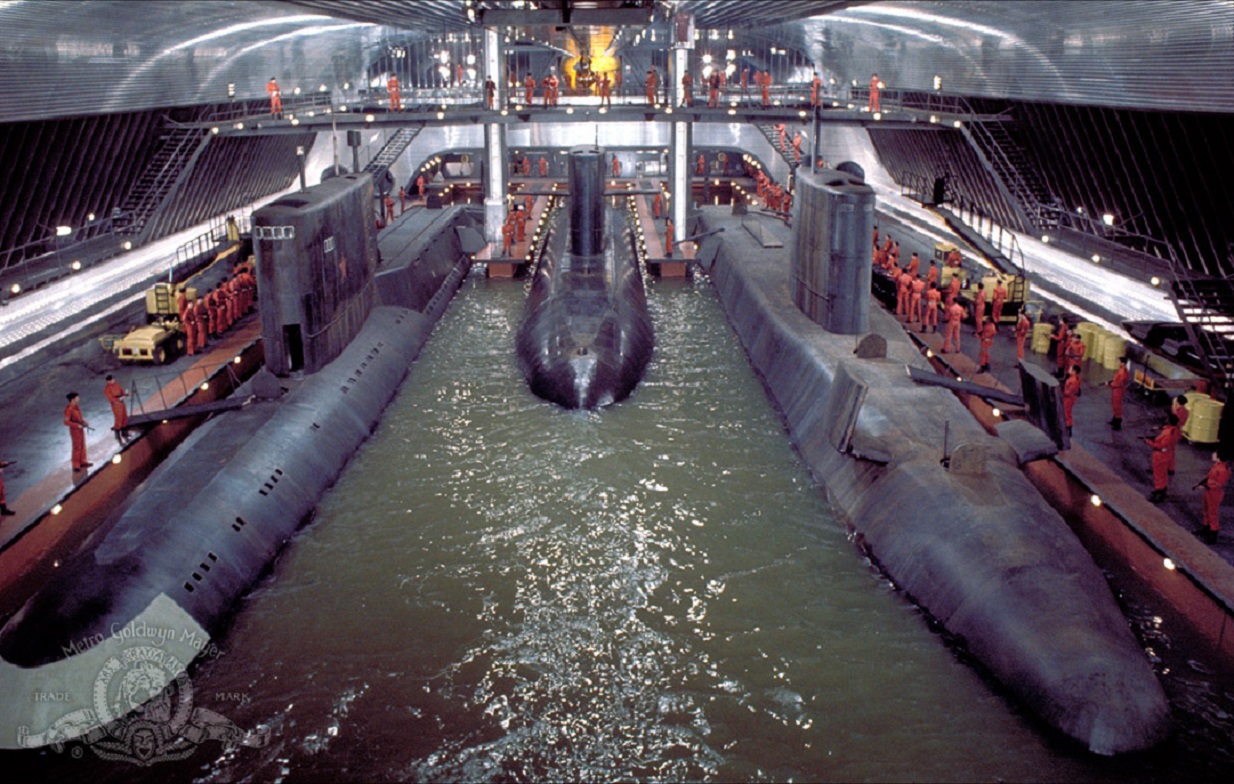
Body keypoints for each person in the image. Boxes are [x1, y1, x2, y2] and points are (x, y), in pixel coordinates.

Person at [1145, 413, 1180, 502]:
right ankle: (1163, 490)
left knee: (1158, 475)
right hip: (1167, 455)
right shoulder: (1175, 430)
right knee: (1163, 474)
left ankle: (1159, 491)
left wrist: (1149, 442)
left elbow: (1161, 445)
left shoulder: (1168, 433)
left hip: (1160, 456)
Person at [1195, 452, 1229, 544]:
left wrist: (1206, 486)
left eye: (1215, 454)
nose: (1212, 455)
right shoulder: (1217, 466)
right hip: (1209, 491)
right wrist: (1202, 483)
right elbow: (1209, 477)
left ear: (1219, 458)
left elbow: (1218, 484)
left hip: (1214, 493)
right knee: (1206, 509)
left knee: (1212, 513)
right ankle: (1206, 528)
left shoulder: (1223, 470)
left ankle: (1213, 533)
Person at [64, 392, 91, 471]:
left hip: (80, 428)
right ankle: (76, 465)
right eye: (77, 398)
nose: (78, 399)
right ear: (73, 399)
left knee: (82, 445)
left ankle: (83, 461)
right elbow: (66, 422)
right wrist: (76, 425)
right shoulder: (68, 409)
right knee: (77, 447)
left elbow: (79, 418)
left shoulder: (76, 407)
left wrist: (84, 422)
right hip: (75, 430)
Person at [104, 374, 129, 444]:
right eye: (112, 380)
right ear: (108, 381)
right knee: (119, 419)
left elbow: (121, 390)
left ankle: (125, 433)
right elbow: (111, 399)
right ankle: (118, 436)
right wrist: (119, 398)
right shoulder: (107, 389)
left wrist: (125, 394)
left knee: (124, 418)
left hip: (121, 403)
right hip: (116, 405)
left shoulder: (117, 384)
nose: (113, 380)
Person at [1171, 395, 1190, 474]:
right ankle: (1170, 467)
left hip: (1174, 430)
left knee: (1169, 450)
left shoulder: (1179, 411)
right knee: (1171, 450)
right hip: (1177, 430)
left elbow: (1174, 420)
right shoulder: (1185, 411)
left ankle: (1170, 468)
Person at [1062, 364, 1081, 436]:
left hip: (1069, 399)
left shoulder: (1073, 381)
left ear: (1074, 371)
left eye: (1070, 369)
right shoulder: (1073, 378)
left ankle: (1068, 430)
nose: (1068, 370)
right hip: (1068, 398)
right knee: (1066, 412)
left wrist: (1061, 392)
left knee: (1067, 413)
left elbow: (1069, 391)